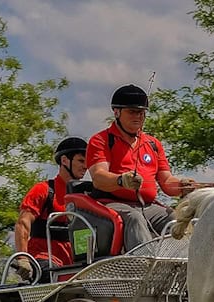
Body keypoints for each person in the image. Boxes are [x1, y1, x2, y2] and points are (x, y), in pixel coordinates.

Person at [85, 84, 196, 251]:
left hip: (148, 206)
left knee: (174, 217)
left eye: (141, 112)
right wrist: (122, 180)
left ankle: (181, 263)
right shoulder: (101, 140)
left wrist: (182, 186)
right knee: (134, 217)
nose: (138, 117)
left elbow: (166, 181)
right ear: (117, 112)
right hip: (113, 203)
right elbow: (99, 178)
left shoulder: (153, 144)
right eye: (132, 112)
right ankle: (143, 264)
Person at [11, 137, 88, 281]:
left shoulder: (84, 197)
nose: (86, 166)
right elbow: (23, 223)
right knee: (51, 276)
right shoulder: (43, 190)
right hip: (44, 259)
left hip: (72, 264)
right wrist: (22, 258)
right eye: (81, 161)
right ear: (64, 160)